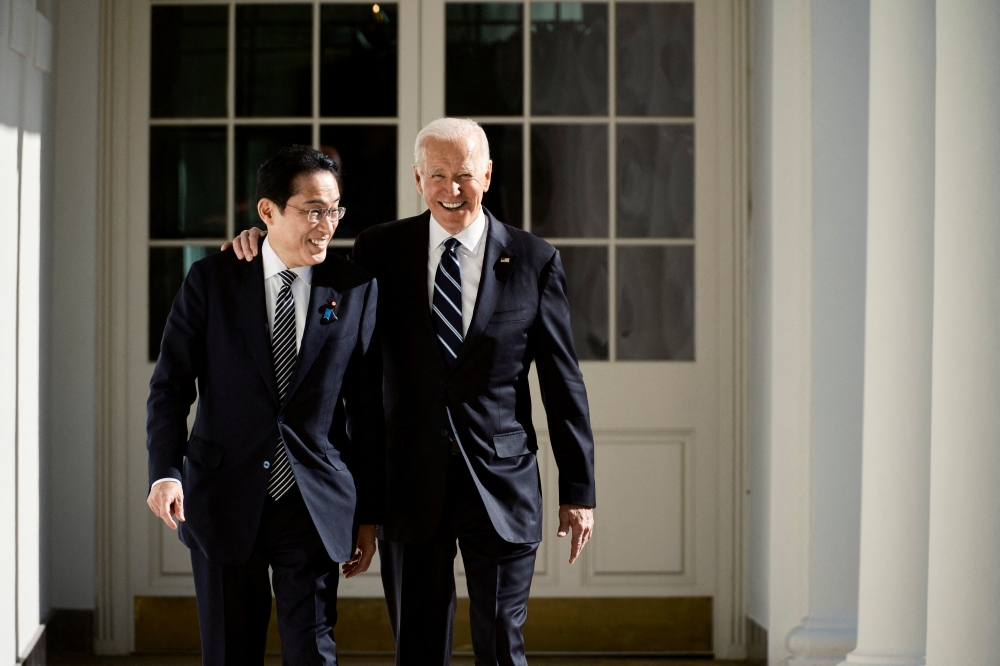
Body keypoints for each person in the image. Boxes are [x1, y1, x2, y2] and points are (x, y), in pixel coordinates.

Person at [228, 118, 596, 666]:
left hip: (501, 484)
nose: (452, 189)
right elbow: (316, 276)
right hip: (408, 485)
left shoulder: (534, 260)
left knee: (502, 642)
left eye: (464, 175)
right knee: (418, 648)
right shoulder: (381, 249)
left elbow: (563, 382)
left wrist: (578, 491)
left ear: (487, 176)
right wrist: (263, 241)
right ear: (418, 179)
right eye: (437, 175)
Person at [147, 146, 383, 666]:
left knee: (313, 654)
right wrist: (165, 472)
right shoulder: (212, 280)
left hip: (312, 504)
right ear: (268, 211)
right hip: (222, 498)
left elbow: (367, 412)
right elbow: (170, 387)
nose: (327, 225)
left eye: (335, 210)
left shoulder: (355, 288)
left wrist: (369, 515)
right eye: (313, 211)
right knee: (229, 653)